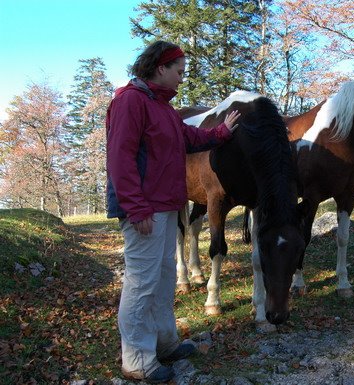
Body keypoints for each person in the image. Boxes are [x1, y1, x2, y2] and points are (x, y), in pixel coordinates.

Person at [106, 40, 240, 384]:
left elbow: (190, 139)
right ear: (160, 68)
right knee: (142, 282)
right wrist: (136, 208)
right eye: (178, 71)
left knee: (164, 278)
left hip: (166, 207)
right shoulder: (130, 101)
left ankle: (164, 343)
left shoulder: (162, 107)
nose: (182, 78)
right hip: (144, 210)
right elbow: (120, 159)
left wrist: (223, 132)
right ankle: (136, 360)